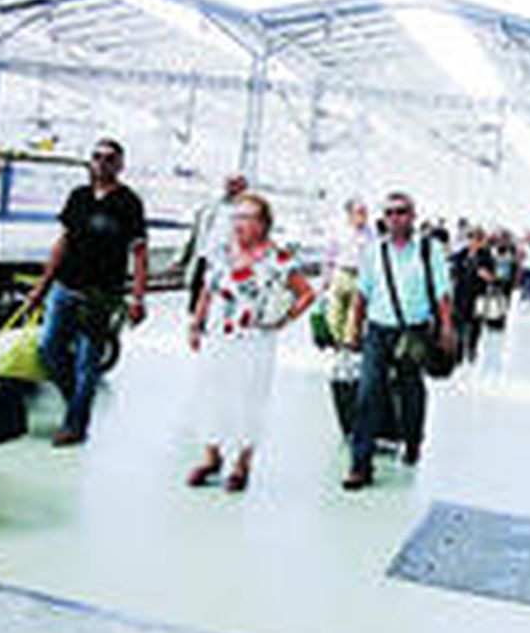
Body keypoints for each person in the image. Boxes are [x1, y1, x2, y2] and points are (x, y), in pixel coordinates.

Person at [184, 193, 314, 493]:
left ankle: (242, 463)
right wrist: (196, 323)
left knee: (248, 399)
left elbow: (306, 294)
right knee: (212, 394)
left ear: (264, 224)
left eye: (246, 217)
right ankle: (212, 456)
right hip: (218, 334)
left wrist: (283, 320)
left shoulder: (278, 259)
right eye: (236, 217)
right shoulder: (221, 252)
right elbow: (207, 289)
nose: (238, 223)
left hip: (255, 341)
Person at [26, 137, 148, 447]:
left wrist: (138, 297)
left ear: (120, 165)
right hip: (64, 287)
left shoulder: (129, 203)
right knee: (48, 350)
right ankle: (76, 403)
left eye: (109, 158)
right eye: (97, 157)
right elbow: (63, 242)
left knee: (87, 362)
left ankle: (75, 425)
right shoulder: (78, 196)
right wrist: (41, 287)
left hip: (100, 295)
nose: (102, 163)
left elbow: (139, 253)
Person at [343, 192, 455, 491]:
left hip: (414, 332)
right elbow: (362, 293)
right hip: (378, 330)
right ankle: (360, 464)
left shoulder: (429, 250)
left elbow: (443, 292)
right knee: (368, 393)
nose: (395, 218)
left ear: (413, 216)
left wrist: (446, 328)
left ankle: (413, 440)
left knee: (410, 390)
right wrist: (353, 329)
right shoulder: (373, 251)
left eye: (402, 211)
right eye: (390, 212)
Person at [177, 174, 247, 312]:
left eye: (236, 183)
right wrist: (183, 257)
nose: (231, 187)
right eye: (229, 183)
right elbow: (196, 234)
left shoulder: (248, 211)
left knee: (221, 304)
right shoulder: (211, 206)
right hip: (204, 258)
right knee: (196, 302)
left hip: (227, 263)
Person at [323, 196, 372, 350]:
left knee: (354, 313)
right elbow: (330, 255)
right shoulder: (339, 231)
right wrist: (327, 277)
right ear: (350, 214)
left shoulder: (370, 233)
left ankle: (348, 344)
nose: (363, 216)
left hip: (360, 275)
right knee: (334, 311)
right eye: (360, 212)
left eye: (365, 212)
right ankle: (336, 339)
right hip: (341, 273)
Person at [449, 227, 496, 364]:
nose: (475, 242)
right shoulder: (462, 253)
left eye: (479, 239)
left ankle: (472, 348)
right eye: (473, 238)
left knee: (475, 325)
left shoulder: (486, 256)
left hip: (478, 295)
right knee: (458, 324)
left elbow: (493, 277)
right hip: (460, 293)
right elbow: (452, 268)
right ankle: (458, 351)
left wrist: (485, 274)